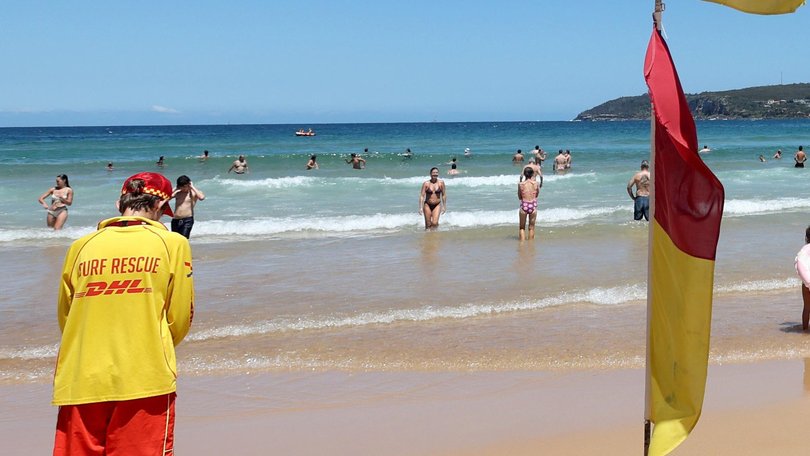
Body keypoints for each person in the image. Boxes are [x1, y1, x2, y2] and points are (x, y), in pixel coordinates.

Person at [52, 172, 194, 456]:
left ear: (120, 203)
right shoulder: (173, 244)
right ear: (158, 206)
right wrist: (153, 343)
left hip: (80, 377)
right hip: (144, 377)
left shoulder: (80, 247)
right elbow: (179, 317)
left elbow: (66, 318)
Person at [518, 167, 539, 241]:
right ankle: (530, 244)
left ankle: (522, 244)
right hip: (533, 205)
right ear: (532, 174)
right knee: (531, 227)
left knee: (522, 227)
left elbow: (520, 197)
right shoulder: (536, 183)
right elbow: (536, 195)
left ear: (524, 174)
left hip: (524, 205)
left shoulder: (521, 184)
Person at [796, 226, 810, 330]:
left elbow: (799, 262)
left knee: (806, 308)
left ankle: (805, 330)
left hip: (806, 283)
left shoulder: (804, 250)